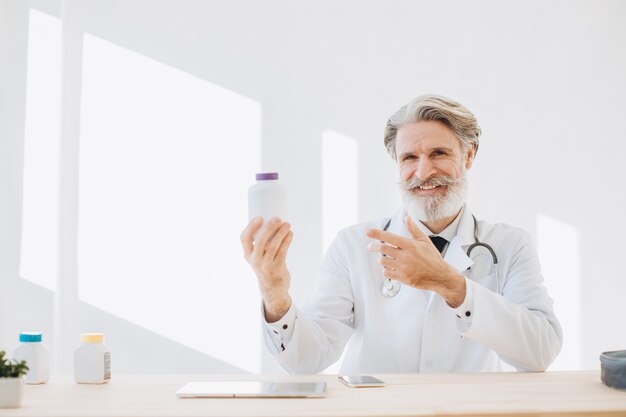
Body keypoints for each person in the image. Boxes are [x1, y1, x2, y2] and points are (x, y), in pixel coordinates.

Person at [240, 94, 562, 374]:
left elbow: (540, 350)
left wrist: (450, 284)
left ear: (468, 156)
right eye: (410, 157)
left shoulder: (509, 246)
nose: (423, 173)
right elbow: (307, 359)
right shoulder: (354, 246)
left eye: (439, 153)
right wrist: (275, 293)